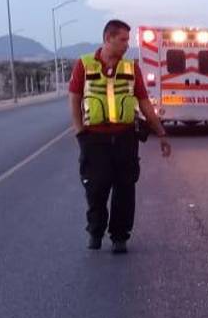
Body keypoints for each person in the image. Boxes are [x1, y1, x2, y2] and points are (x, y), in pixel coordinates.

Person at [69, 19, 171, 254]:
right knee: (96, 187)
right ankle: (95, 230)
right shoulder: (84, 65)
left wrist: (161, 132)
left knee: (125, 188)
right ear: (108, 39)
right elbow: (74, 98)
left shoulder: (130, 68)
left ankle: (119, 236)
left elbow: (144, 103)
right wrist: (79, 130)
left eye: (128, 39)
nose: (127, 44)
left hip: (125, 138)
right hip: (94, 139)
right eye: (123, 40)